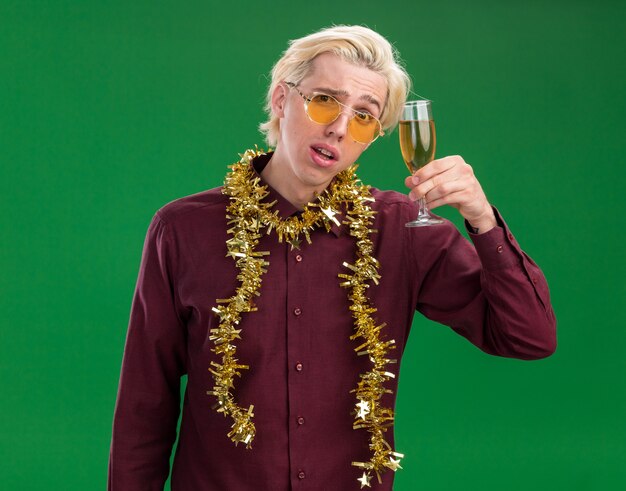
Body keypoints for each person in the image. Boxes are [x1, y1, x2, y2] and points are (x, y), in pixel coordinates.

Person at [108, 25, 556, 490]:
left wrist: (482, 219)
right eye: (325, 100)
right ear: (282, 101)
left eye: (364, 115)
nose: (340, 128)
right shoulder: (182, 229)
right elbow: (145, 406)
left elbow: (528, 336)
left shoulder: (402, 231)